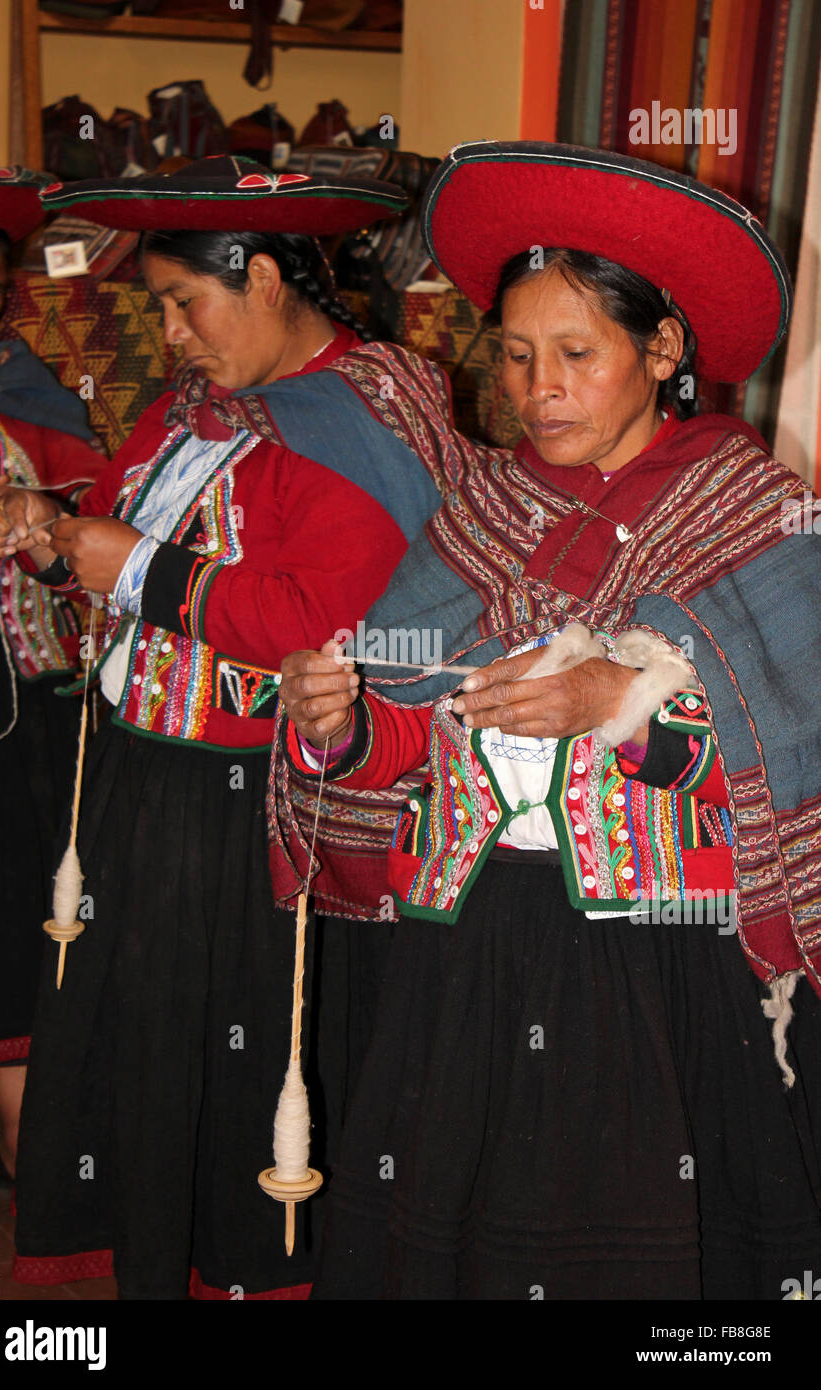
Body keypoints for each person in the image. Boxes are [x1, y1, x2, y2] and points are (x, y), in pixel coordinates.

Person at [277, 141, 821, 1300]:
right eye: (517, 357)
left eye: (575, 354)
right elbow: (413, 715)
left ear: (660, 349)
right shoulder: (481, 511)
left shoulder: (756, 514)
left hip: (657, 963)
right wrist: (342, 716)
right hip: (470, 947)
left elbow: (790, 749)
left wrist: (622, 706)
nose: (538, 390)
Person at [5, 155, 492, 1300]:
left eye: (184, 304)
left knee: (231, 1061)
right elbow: (121, 536)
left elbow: (331, 623)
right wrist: (64, 545)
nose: (170, 335)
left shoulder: (360, 413)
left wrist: (142, 570)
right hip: (144, 788)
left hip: (246, 816)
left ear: (265, 278)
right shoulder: (194, 415)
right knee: (141, 1048)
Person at [0, 167, 105, 1192]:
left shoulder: (18, 384)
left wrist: (32, 511)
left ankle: (27, 1130)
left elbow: (88, 496)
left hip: (15, 690)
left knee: (17, 891)